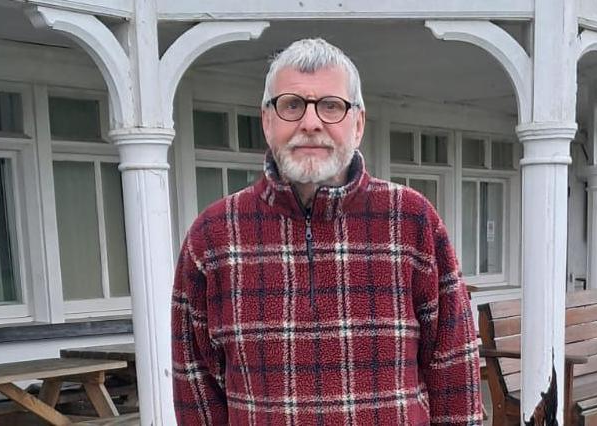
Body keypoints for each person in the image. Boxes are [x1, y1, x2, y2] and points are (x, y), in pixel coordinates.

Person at [172, 38, 483, 425]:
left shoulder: (411, 220)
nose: (311, 122)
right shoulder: (213, 236)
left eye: (331, 106)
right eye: (291, 105)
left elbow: (452, 364)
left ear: (358, 123)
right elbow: (195, 385)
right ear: (267, 120)